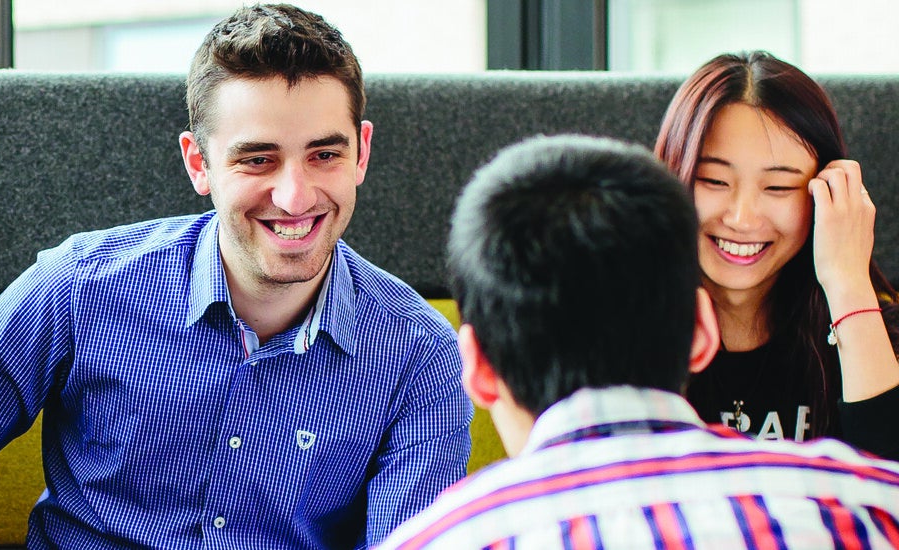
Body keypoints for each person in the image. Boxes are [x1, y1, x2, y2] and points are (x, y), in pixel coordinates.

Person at [0, 4, 471, 549]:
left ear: (361, 154)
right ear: (199, 163)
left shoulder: (422, 353)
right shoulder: (79, 286)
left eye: (325, 155)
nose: (294, 197)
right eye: (257, 158)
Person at [377, 134, 899, 549]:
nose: (743, 216)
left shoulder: (437, 538)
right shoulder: (874, 506)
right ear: (701, 330)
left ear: (478, 369)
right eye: (715, 178)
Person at [655, 51, 899, 459]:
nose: (741, 218)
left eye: (779, 188)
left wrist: (847, 281)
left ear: (826, 192)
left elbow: (889, 491)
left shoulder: (880, 333)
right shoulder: (617, 326)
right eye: (714, 180)